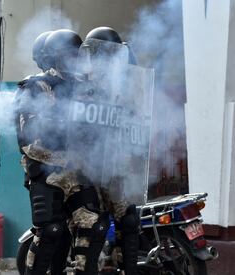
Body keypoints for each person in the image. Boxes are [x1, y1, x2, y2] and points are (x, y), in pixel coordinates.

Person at [16, 29, 109, 275]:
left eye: (75, 54)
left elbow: (101, 123)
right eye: (67, 54)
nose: (73, 59)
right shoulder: (36, 85)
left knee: (96, 225)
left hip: (78, 169)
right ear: (55, 57)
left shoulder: (86, 88)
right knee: (51, 231)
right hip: (48, 170)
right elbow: (27, 138)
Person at [82, 26, 140, 275]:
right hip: (90, 163)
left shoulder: (124, 79)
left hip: (116, 161)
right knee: (95, 224)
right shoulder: (85, 79)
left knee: (128, 220)